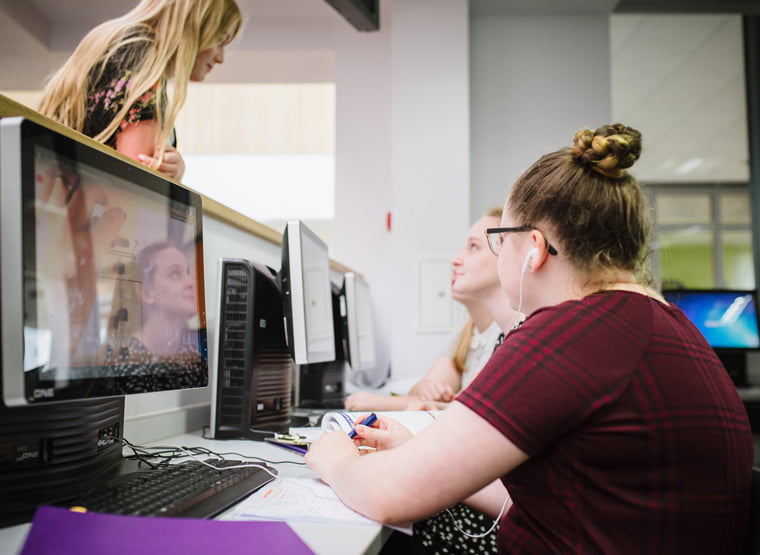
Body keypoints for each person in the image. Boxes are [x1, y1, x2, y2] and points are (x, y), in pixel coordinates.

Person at [305, 123, 754, 553]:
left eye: (499, 240)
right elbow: (559, 494)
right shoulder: (662, 320)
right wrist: (417, 451)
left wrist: (336, 459)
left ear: (533, 248)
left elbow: (387, 495)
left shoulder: (568, 332)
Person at [37, 0, 243, 180]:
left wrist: (173, 169)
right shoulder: (142, 53)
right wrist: (172, 180)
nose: (220, 58)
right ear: (193, 26)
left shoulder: (116, 39)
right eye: (219, 41)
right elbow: (138, 176)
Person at [344, 209, 517, 413]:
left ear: (506, 257)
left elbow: (473, 411)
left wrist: (381, 402)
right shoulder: (467, 335)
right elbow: (422, 390)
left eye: (473, 247)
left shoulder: (512, 335)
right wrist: (428, 389)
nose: (456, 259)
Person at [104, 241, 205, 392]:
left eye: (188, 272)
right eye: (175, 273)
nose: (191, 282)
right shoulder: (127, 361)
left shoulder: (188, 349)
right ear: (147, 293)